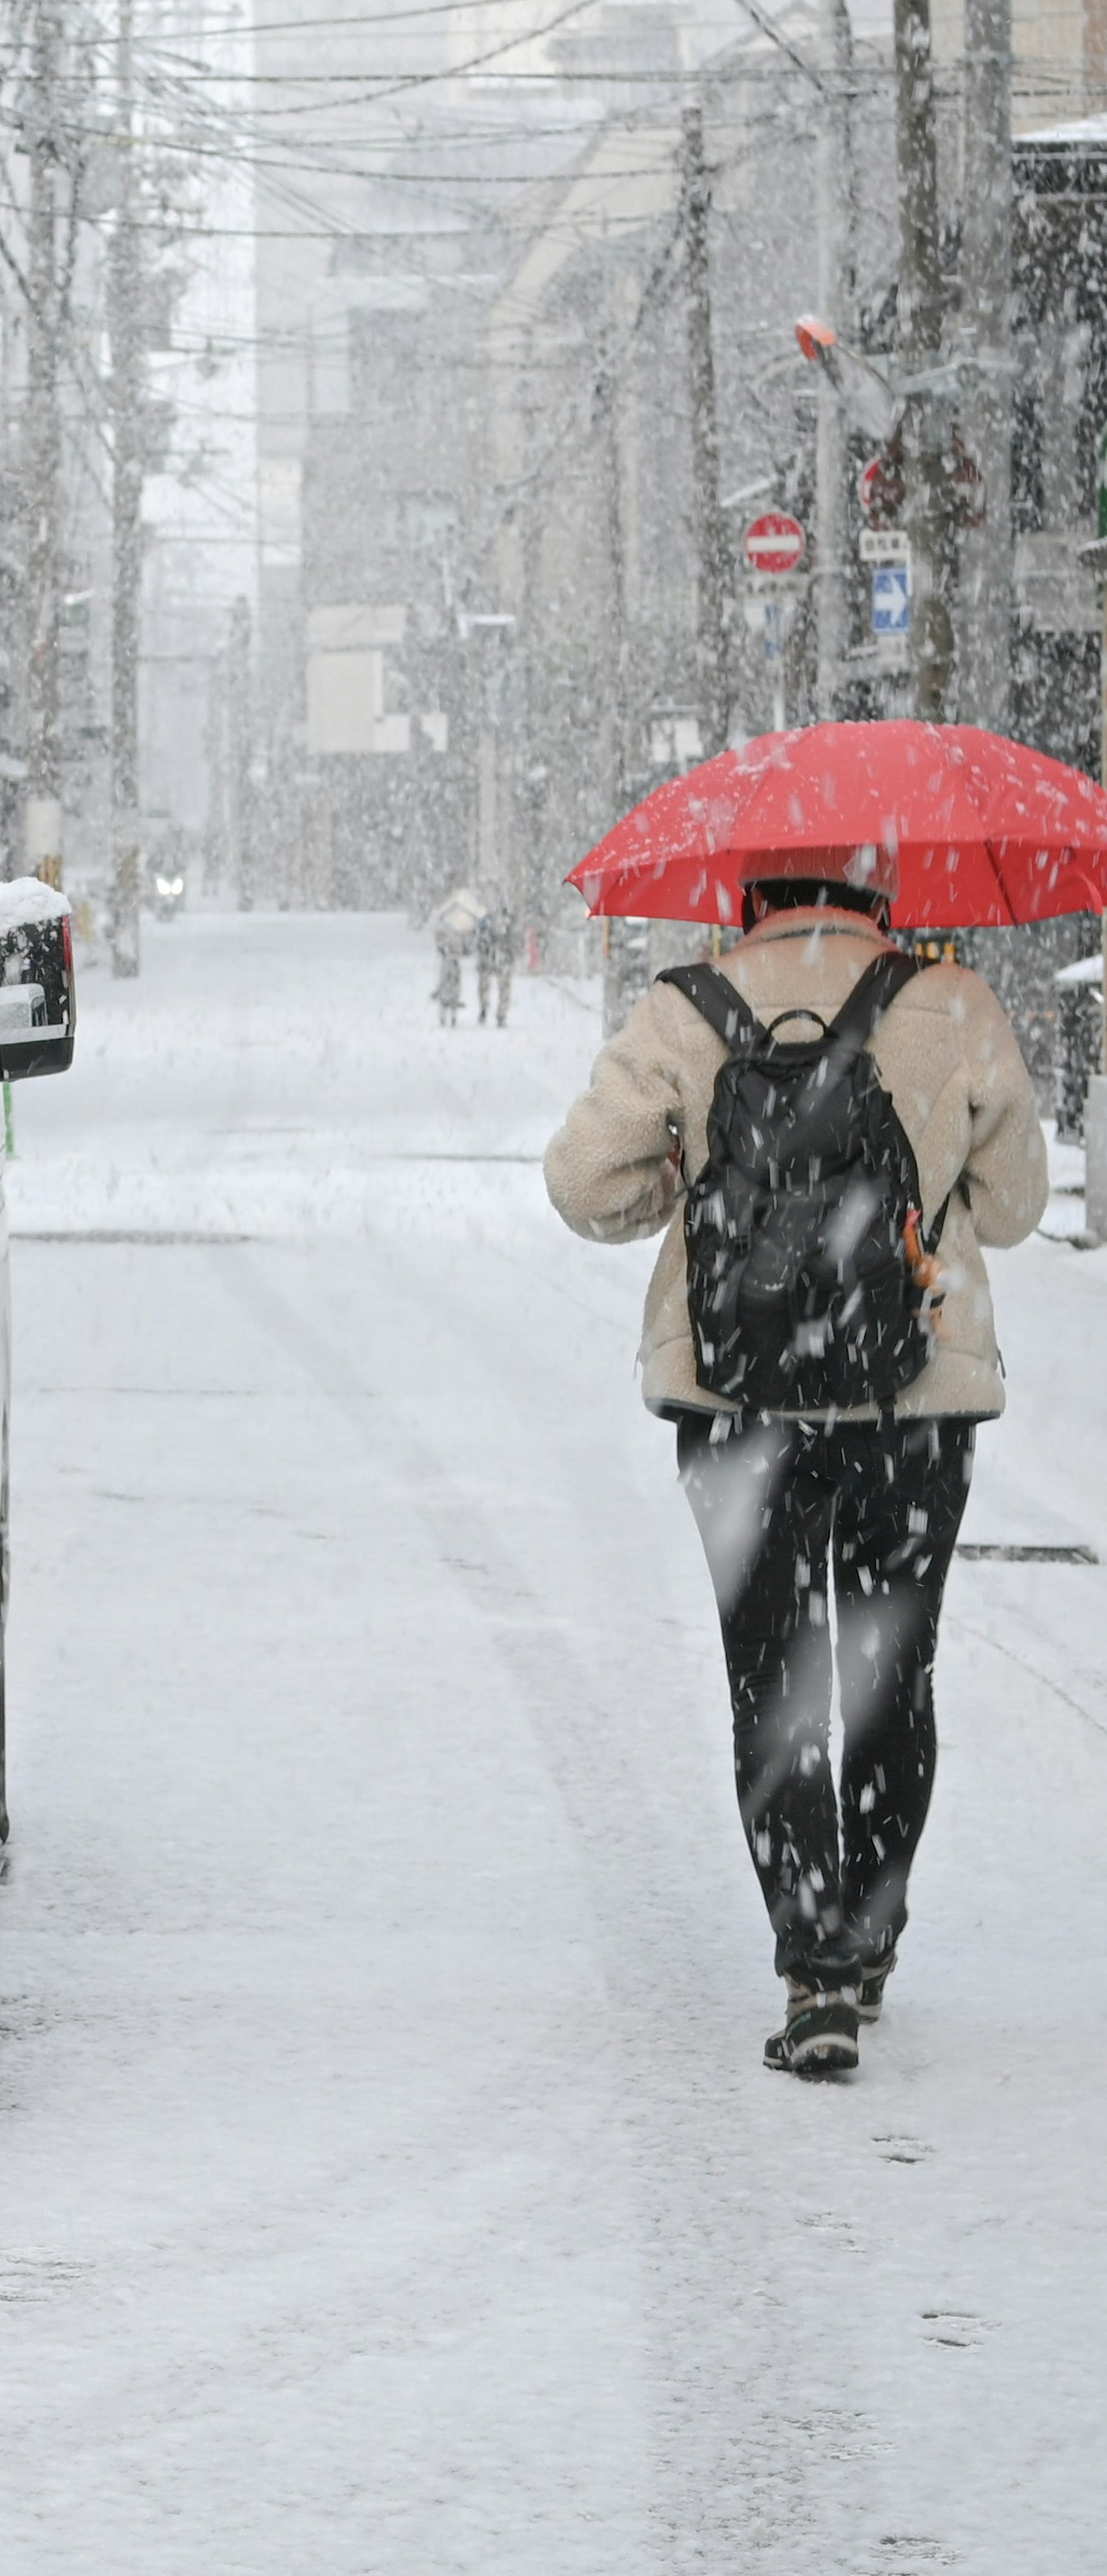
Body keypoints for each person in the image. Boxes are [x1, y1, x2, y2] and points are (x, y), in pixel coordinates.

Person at [545, 850, 1044, 2077]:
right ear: (881, 891)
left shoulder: (686, 1007)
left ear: (748, 890)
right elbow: (1024, 1203)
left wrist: (682, 1180)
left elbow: (580, 1184)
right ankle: (868, 1941)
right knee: (887, 1666)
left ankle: (812, 1965)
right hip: (908, 1397)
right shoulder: (955, 1003)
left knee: (772, 1676)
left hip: (738, 1395)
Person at [473, 902, 516, 1027]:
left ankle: (487, 1010)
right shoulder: (504, 923)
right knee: (501, 987)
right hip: (497, 957)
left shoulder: (488, 920)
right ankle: (497, 1013)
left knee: (488, 985)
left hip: (492, 957)